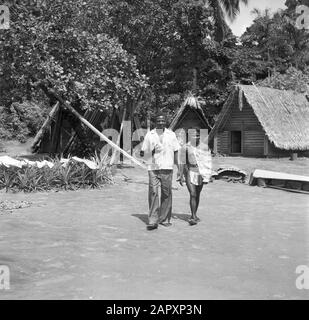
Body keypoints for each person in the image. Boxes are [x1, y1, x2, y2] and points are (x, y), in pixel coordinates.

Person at [140, 114, 181, 231]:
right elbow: (143, 154)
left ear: (166, 122)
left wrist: (179, 168)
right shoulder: (150, 135)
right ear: (155, 122)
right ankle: (153, 220)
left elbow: (176, 151)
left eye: (163, 120)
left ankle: (164, 219)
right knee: (153, 192)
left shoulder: (171, 135)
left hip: (167, 167)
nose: (161, 122)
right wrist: (152, 151)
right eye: (159, 120)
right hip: (153, 168)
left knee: (166, 193)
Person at [177, 128, 212, 226]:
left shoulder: (204, 147)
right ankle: (192, 216)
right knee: (192, 194)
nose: (195, 137)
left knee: (197, 194)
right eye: (193, 135)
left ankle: (195, 214)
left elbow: (207, 162)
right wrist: (180, 175)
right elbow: (182, 162)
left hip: (201, 173)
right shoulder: (185, 147)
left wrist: (207, 177)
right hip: (190, 172)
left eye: (197, 135)